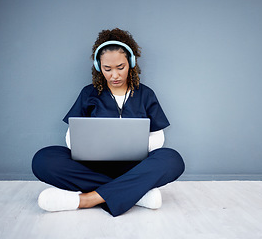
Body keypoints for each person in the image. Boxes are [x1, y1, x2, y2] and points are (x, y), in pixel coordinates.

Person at [32, 28, 185, 217]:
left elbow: (158, 136)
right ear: (98, 66)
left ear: (131, 63)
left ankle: (88, 199)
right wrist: (91, 147)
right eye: (107, 69)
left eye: (120, 67)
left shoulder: (146, 94)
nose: (115, 75)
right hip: (93, 167)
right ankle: (135, 194)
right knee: (43, 159)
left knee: (172, 159)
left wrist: (132, 147)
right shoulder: (89, 93)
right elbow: (71, 136)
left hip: (134, 167)